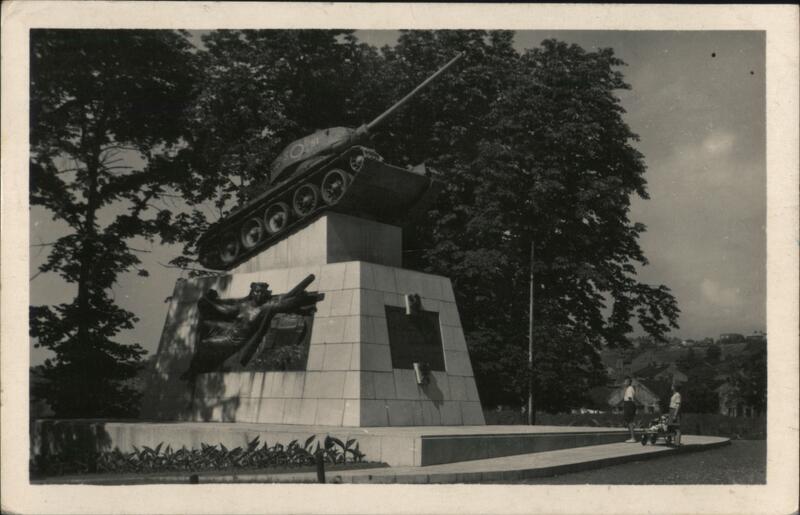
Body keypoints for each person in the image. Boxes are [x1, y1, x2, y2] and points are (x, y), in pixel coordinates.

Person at [622, 376, 637, 442]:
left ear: (628, 382)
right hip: (628, 404)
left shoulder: (630, 388)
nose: (624, 382)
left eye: (625, 381)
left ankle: (633, 437)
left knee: (630, 421)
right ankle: (632, 436)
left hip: (629, 404)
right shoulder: (628, 388)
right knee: (628, 421)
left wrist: (630, 407)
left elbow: (630, 398)